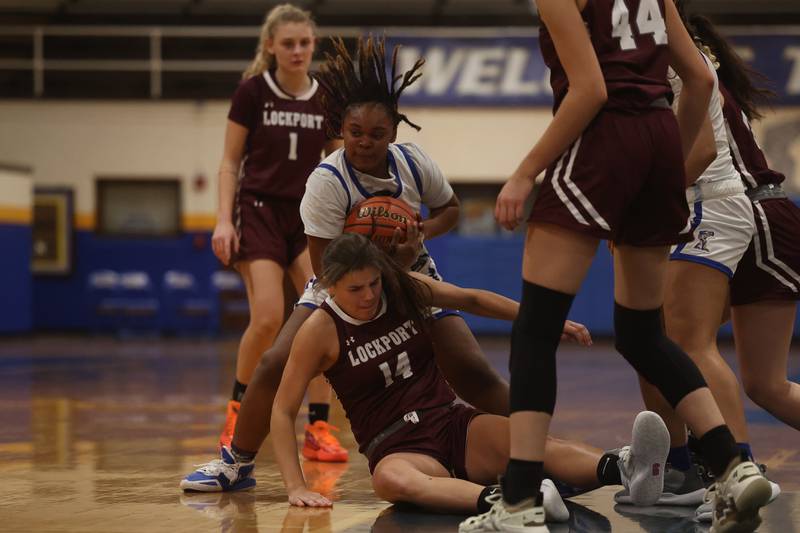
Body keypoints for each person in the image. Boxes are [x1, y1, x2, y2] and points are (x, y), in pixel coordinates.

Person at [182, 35, 572, 493]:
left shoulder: (412, 163)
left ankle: (537, 451)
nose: (365, 143)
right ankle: (237, 463)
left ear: (394, 132)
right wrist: (384, 269)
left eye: (377, 134)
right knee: (272, 362)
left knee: (472, 370)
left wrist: (418, 235)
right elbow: (325, 267)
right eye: (354, 133)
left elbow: (450, 209)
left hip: (411, 270)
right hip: (342, 279)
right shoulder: (326, 182)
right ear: (340, 130)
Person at [463, 1, 772, 532]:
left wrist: (524, 173)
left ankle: (517, 501)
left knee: (536, 328)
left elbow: (591, 90)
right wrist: (662, 160)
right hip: (658, 138)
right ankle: (730, 464)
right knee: (642, 333)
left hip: (606, 136)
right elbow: (698, 79)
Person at [270, 233, 672, 522]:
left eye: (374, 282)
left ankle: (626, 468)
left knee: (531, 442)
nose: (370, 295)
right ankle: (513, 504)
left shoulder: (401, 288)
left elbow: (471, 299)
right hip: (397, 446)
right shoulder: (319, 329)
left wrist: (547, 320)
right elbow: (284, 409)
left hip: (451, 422)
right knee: (390, 479)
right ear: (329, 286)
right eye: (355, 288)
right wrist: (296, 486)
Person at [628, 6, 793, 521]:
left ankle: (733, 469)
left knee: (689, 342)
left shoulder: (680, 67)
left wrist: (641, 202)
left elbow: (697, 154)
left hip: (748, 208)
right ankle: (687, 464)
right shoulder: (670, 68)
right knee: (656, 336)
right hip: (733, 207)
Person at [210, 3, 343, 457]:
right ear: (271, 46)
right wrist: (224, 219)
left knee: (326, 315)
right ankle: (238, 412)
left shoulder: (325, 96)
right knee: (268, 317)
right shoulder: (252, 92)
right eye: (288, 43)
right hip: (260, 210)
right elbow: (230, 162)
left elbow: (339, 161)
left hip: (307, 216)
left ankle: (319, 428)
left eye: (305, 42)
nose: (298, 50)